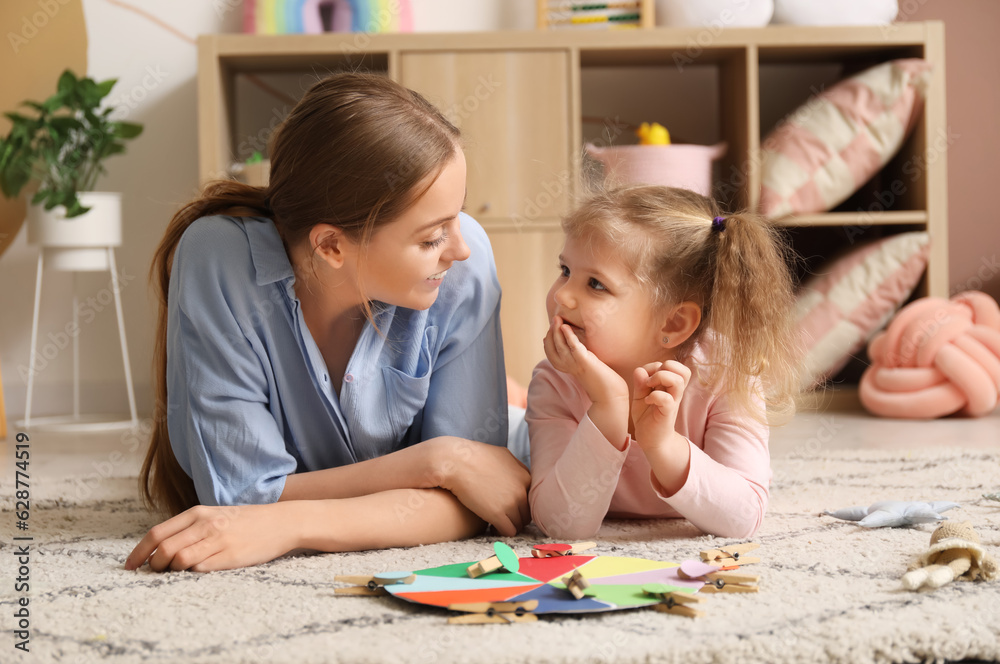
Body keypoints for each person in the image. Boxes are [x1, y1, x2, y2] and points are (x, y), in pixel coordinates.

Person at [125, 72, 530, 573]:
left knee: (539, 434)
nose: (461, 247)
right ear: (331, 246)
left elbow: (483, 498)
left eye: (458, 216)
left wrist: (289, 522)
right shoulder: (219, 258)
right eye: (430, 238)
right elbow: (241, 494)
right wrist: (438, 461)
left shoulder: (462, 265)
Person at [524, 184, 799, 540]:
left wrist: (663, 445)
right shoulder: (555, 380)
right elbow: (559, 524)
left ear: (673, 323)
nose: (562, 294)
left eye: (595, 284)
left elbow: (743, 517)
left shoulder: (728, 375)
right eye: (565, 270)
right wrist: (608, 407)